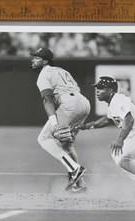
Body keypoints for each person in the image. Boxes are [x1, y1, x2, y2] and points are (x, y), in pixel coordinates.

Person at [76, 76, 135, 196]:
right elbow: (107, 120)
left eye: (101, 88)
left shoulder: (118, 99)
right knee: (117, 156)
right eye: (97, 88)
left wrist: (120, 139)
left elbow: (129, 120)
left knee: (122, 158)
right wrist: (85, 126)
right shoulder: (113, 102)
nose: (97, 91)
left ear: (111, 90)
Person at [30, 47, 90, 192]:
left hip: (70, 104)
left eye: (37, 58)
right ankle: (79, 184)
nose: (33, 59)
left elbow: (48, 99)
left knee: (44, 139)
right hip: (84, 103)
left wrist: (54, 122)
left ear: (45, 61)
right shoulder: (62, 70)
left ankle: (75, 170)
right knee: (67, 144)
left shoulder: (44, 74)